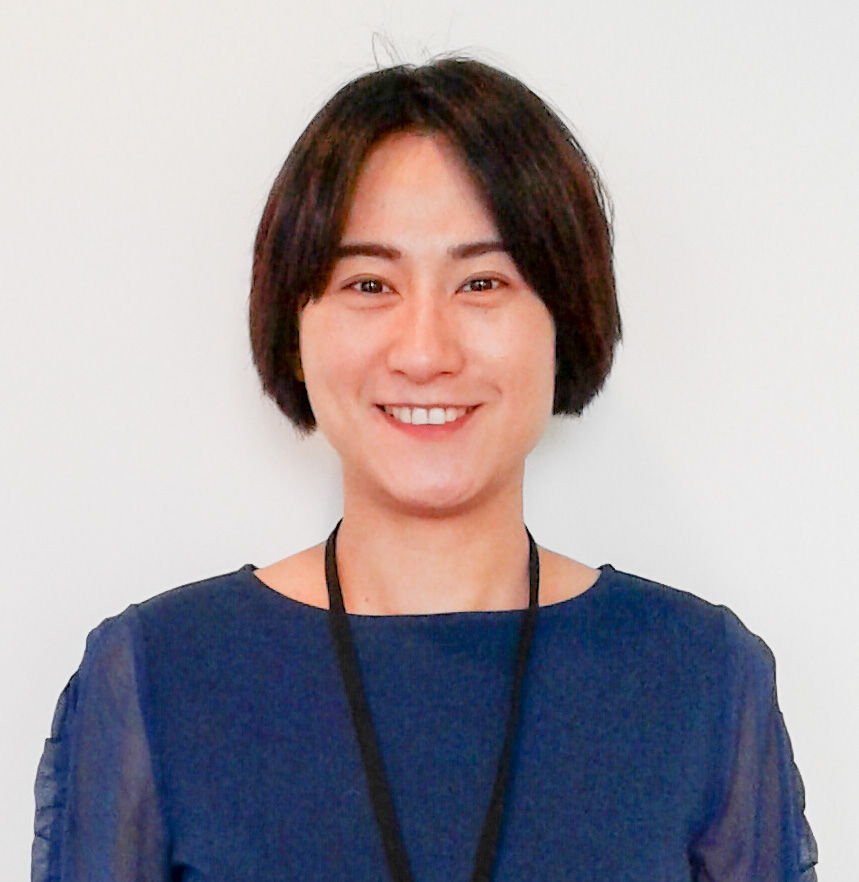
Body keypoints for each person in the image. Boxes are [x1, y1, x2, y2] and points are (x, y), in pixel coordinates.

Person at [32, 57, 818, 881]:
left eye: (481, 281)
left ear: (565, 321)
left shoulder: (699, 678)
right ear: (293, 331)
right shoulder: (157, 676)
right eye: (369, 284)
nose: (424, 352)